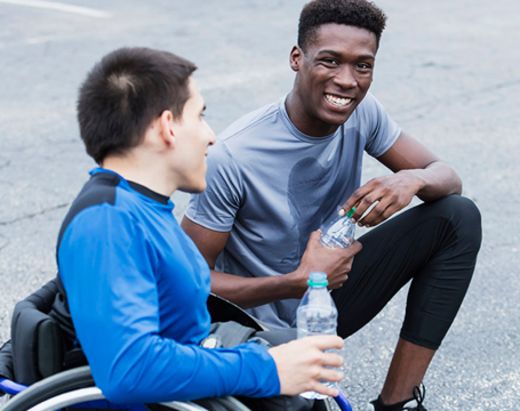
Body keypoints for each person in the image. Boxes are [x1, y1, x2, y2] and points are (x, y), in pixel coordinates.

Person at [181, 1, 482, 410]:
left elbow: (448, 176)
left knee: (456, 217)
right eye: (330, 61)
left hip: (324, 299)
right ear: (296, 58)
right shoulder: (233, 157)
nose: (347, 81)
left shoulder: (364, 115)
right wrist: (298, 281)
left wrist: (412, 179)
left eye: (363, 66)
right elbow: (188, 283)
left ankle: (399, 403)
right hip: (257, 326)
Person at [55, 46, 344, 407]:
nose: (211, 136)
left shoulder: (141, 206)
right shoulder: (106, 223)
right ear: (167, 127)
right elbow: (131, 369)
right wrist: (266, 369)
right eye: (200, 116)